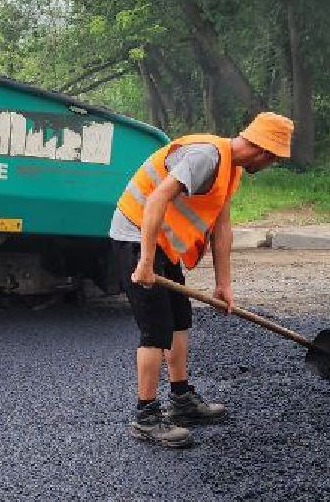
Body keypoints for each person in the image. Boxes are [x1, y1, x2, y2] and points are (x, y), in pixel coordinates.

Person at [111, 111, 293, 448]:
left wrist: (224, 284)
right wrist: (147, 261)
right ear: (264, 152)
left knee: (180, 319)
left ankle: (181, 400)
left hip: (161, 242)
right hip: (136, 235)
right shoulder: (205, 157)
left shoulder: (230, 169)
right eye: (275, 160)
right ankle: (145, 417)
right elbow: (156, 200)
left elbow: (222, 230)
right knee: (156, 330)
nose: (272, 165)